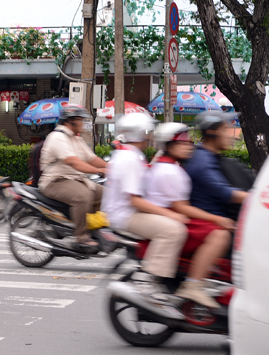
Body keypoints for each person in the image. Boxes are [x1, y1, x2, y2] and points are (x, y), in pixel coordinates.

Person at [101, 113, 188, 304]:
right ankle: (147, 278)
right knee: (173, 230)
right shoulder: (130, 159)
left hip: (126, 211)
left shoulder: (129, 154)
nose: (150, 137)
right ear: (141, 133)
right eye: (148, 132)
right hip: (126, 215)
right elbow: (135, 201)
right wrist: (170, 214)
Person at [145, 123, 234, 308]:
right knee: (220, 234)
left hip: (171, 216)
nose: (188, 146)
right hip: (172, 218)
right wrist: (216, 219)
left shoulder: (167, 166)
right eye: (182, 143)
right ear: (168, 146)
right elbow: (181, 207)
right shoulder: (170, 171)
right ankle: (193, 285)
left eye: (188, 142)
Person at [38, 104, 107, 252]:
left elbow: (91, 158)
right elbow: (72, 161)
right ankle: (81, 237)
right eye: (80, 120)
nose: (83, 123)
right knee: (83, 197)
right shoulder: (57, 137)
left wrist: (111, 167)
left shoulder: (76, 139)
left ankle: (93, 229)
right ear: (70, 121)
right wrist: (98, 171)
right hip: (55, 181)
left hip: (75, 180)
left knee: (106, 194)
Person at [185, 111, 248, 218]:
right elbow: (224, 192)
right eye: (225, 129)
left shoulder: (211, 156)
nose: (229, 135)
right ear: (211, 132)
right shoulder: (202, 161)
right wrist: (259, 197)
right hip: (213, 224)